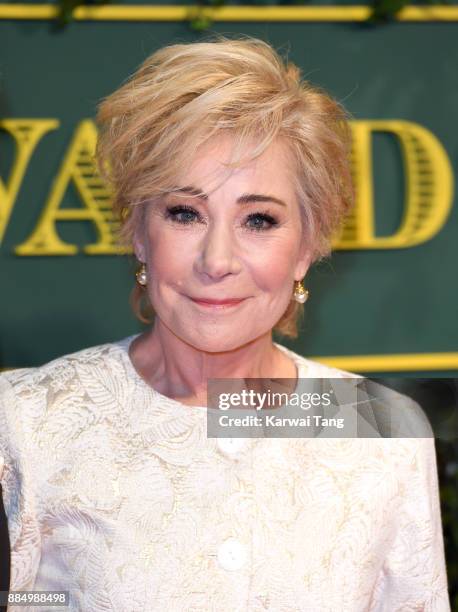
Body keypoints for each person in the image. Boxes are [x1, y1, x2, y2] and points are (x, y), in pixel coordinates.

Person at [0, 35, 450, 611]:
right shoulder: (31, 421)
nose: (217, 261)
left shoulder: (381, 427)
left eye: (259, 219)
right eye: (184, 213)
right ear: (138, 232)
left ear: (307, 246)